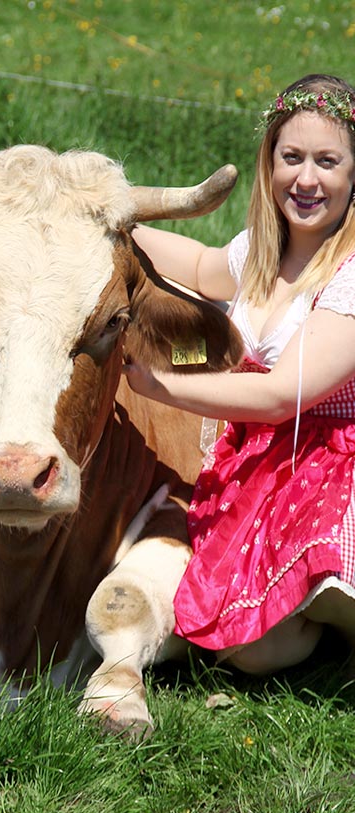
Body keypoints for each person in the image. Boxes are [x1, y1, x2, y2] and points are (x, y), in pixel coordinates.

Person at [127, 73, 355, 675]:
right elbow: (201, 267)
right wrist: (109, 216)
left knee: (256, 645)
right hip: (253, 456)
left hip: (327, 463)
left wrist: (164, 385)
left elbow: (282, 397)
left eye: (328, 161)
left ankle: (328, 608)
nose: (306, 179)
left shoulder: (351, 271)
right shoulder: (263, 249)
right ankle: (310, 624)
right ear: (269, 163)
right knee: (236, 649)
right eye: (292, 157)